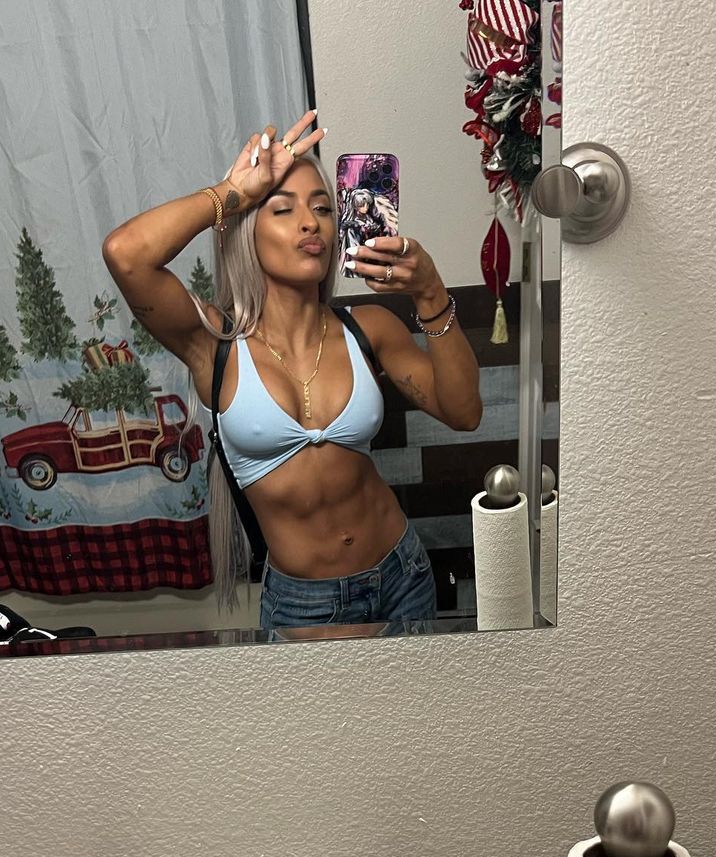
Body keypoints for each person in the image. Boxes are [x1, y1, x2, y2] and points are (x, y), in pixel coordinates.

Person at [103, 110, 482, 630]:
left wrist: (430, 291)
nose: (310, 223)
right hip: (305, 603)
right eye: (283, 209)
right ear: (246, 232)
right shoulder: (213, 344)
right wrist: (233, 193)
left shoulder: (368, 329)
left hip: (403, 575)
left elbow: (464, 413)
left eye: (323, 208)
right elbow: (125, 254)